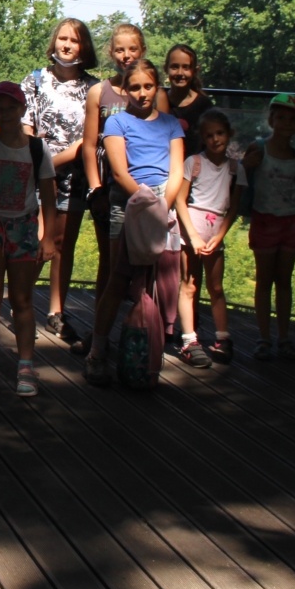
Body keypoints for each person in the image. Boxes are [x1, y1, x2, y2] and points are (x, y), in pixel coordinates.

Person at [83, 60, 185, 386]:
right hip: (129, 205)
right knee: (119, 277)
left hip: (161, 206)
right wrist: (148, 205)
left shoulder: (170, 124)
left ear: (158, 88)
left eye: (149, 87)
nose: (142, 94)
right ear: (125, 91)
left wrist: (163, 206)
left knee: (154, 281)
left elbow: (177, 171)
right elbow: (119, 172)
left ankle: (145, 353)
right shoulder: (117, 123)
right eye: (135, 87)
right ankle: (98, 350)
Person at [0, 82, 58, 395]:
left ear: (22, 109)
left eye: (11, 107)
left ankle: (26, 364)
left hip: (24, 227)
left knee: (22, 300)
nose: (5, 113)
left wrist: (48, 237)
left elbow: (47, 194)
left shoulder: (36, 148)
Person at [23, 18, 97, 351]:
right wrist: (46, 161)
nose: (67, 45)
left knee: (63, 244)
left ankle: (57, 310)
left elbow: (90, 142)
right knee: (40, 240)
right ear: (54, 42)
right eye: (62, 38)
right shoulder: (35, 81)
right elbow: (25, 131)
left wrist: (66, 158)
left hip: (75, 177)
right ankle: (22, 302)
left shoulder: (94, 89)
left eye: (75, 40)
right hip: (38, 176)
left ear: (85, 47)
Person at [81, 23, 168, 292]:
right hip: (110, 189)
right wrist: (96, 188)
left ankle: (142, 327)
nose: (126, 55)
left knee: (149, 263)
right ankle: (101, 329)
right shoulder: (99, 91)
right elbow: (88, 144)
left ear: (142, 50)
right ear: (111, 52)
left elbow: (164, 139)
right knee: (109, 263)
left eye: (132, 49)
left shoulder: (155, 94)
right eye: (119, 50)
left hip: (150, 188)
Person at [242, 93, 295, 361]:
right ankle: (264, 338)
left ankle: (284, 337)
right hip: (264, 219)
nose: (286, 123)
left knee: (284, 281)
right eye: (281, 117)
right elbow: (241, 179)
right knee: (264, 281)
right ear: (272, 119)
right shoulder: (259, 147)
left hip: (290, 221)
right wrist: (244, 165)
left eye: (293, 120)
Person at [174, 108, 246, 365]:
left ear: (229, 134)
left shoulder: (236, 168)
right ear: (202, 138)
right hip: (192, 229)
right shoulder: (193, 163)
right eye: (209, 135)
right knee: (189, 284)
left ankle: (222, 338)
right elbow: (180, 201)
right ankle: (189, 340)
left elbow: (234, 206)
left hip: (216, 232)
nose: (215, 139)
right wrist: (192, 235)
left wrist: (220, 235)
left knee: (216, 286)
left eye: (220, 133)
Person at [164, 44, 214, 154]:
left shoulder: (204, 105)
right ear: (165, 68)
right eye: (175, 67)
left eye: (186, 67)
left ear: (195, 71)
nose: (180, 73)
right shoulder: (159, 102)